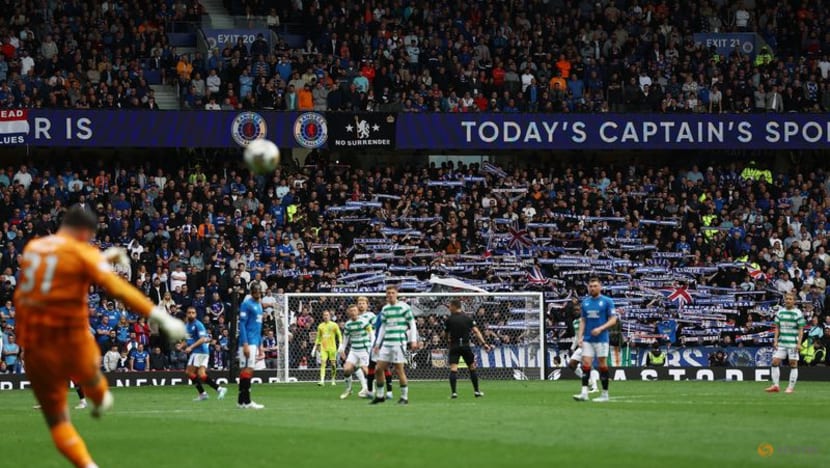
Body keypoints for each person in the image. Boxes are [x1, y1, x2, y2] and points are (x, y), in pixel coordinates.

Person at [13, 204, 186, 468]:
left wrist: (103, 259)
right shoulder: (82, 251)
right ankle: (96, 393)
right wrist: (161, 316)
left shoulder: (33, 249)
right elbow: (120, 290)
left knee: (58, 422)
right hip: (68, 336)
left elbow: (59, 267)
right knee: (94, 381)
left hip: (34, 342)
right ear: (84, 232)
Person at [371, 286, 419, 405]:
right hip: (387, 343)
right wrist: (378, 343)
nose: (390, 295)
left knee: (399, 370)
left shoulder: (404, 307)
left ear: (396, 294)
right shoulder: (385, 309)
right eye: (388, 293)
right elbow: (382, 326)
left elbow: (412, 323)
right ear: (386, 295)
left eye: (393, 293)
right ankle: (380, 395)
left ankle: (404, 397)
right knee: (378, 369)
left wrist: (413, 340)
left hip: (399, 342)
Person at [573, 277, 618, 403]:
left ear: (600, 287)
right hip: (588, 339)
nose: (592, 288)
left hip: (602, 339)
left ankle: (604, 394)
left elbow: (613, 319)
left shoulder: (607, 301)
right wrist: (580, 337)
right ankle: (584, 393)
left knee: (602, 365)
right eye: (590, 286)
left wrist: (601, 328)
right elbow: (583, 321)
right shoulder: (585, 303)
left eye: (595, 286)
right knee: (586, 364)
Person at [444, 299, 492, 399]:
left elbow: (446, 334)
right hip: (466, 346)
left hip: (454, 346)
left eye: (450, 306)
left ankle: (454, 393)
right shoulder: (468, 318)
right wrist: (484, 344)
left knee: (453, 369)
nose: (449, 308)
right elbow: (477, 331)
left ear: (454, 306)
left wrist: (448, 341)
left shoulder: (449, 320)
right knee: (472, 368)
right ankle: (477, 391)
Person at [184, 306, 227, 401]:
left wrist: (190, 347)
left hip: (199, 351)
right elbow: (188, 339)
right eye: (189, 312)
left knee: (189, 372)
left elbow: (203, 339)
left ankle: (203, 393)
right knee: (201, 374)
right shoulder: (186, 326)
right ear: (186, 314)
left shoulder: (198, 324)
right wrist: (182, 345)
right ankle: (219, 389)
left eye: (193, 312)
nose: (191, 314)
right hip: (202, 352)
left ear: (195, 314)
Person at [766, 292, 806, 393]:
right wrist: (775, 340)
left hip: (793, 342)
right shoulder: (780, 312)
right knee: (775, 362)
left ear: (794, 301)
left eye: (790, 299)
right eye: (786, 299)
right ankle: (775, 385)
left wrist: (799, 343)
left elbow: (801, 329)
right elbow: (777, 328)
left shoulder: (798, 313)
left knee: (793, 364)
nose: (788, 300)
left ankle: (790, 387)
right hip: (782, 342)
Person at [358, 296, 393, 399]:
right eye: (359, 303)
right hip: (364, 344)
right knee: (373, 367)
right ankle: (374, 389)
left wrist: (375, 343)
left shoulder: (373, 316)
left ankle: (371, 389)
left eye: (363, 303)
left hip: (372, 344)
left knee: (374, 367)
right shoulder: (356, 316)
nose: (361, 305)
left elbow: (376, 330)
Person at [238, 285, 265, 409]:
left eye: (259, 292)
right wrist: (245, 343)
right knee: (247, 370)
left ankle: (241, 401)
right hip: (248, 341)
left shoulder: (260, 306)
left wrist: (260, 347)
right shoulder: (246, 304)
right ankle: (247, 401)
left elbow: (259, 328)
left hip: (255, 342)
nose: (257, 294)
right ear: (251, 292)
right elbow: (242, 324)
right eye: (255, 292)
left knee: (247, 370)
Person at [338, 304, 371, 399]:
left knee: (366, 370)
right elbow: (346, 338)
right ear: (349, 312)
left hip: (364, 350)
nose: (353, 312)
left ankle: (370, 390)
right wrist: (342, 349)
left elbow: (371, 333)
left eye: (354, 310)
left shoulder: (364, 322)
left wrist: (372, 345)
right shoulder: (348, 324)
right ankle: (348, 389)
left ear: (357, 312)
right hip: (354, 351)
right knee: (347, 369)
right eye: (351, 311)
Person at [565, 309, 598, 392]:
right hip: (581, 347)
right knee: (571, 365)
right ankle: (588, 381)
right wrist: (572, 347)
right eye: (575, 310)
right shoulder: (575, 322)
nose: (576, 311)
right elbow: (577, 336)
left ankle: (594, 386)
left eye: (578, 310)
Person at [312, 310, 341, 386]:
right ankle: (322, 380)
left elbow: (339, 335)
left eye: (327, 315)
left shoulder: (334, 325)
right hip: (323, 347)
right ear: (322, 316)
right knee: (323, 363)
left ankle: (333, 379)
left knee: (333, 364)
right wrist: (314, 347)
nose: (326, 316)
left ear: (330, 316)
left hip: (332, 348)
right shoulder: (320, 326)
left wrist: (341, 344)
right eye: (324, 315)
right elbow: (318, 337)